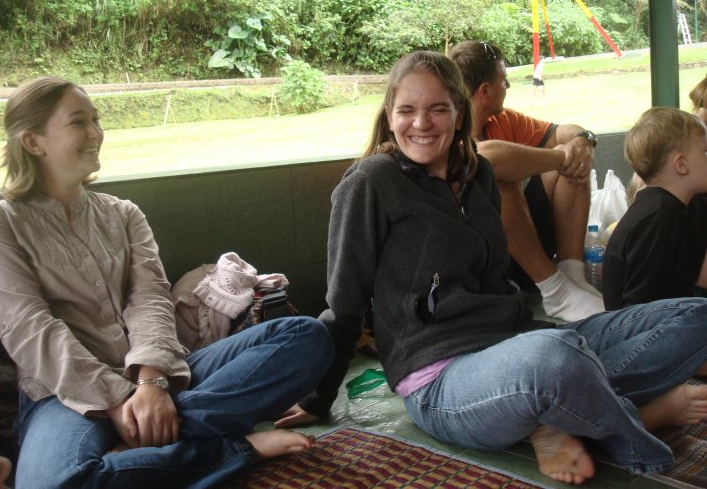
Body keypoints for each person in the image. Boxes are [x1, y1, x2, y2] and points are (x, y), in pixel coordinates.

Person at [276, 51, 707, 485]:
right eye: (406, 110)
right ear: (389, 116)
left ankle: (561, 412)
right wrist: (319, 396)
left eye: (437, 109)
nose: (421, 123)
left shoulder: (478, 174)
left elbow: (500, 276)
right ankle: (633, 423)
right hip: (440, 380)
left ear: (459, 114)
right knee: (554, 357)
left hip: (513, 343)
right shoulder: (371, 182)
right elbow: (344, 303)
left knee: (695, 318)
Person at [0, 77, 334, 489]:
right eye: (79, 122)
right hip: (63, 395)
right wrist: (118, 399)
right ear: (33, 141)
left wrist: (151, 384)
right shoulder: (0, 224)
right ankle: (234, 449)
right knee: (54, 484)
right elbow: (30, 330)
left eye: (96, 120)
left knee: (307, 336)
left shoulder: (123, 214)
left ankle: (140, 451)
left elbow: (150, 299)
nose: (96, 133)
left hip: (161, 376)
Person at [448, 40, 603, 322]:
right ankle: (556, 291)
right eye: (503, 80)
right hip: (483, 265)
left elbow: (564, 132)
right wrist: (561, 157)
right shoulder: (445, 130)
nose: (508, 85)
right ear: (485, 91)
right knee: (497, 179)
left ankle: (572, 277)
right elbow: (485, 157)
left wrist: (582, 141)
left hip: (522, 252)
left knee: (573, 161)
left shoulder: (503, 120)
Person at [602, 107, 707, 311]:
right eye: (705, 152)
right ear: (681, 165)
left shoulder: (683, 205)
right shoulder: (659, 215)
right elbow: (637, 309)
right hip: (644, 324)